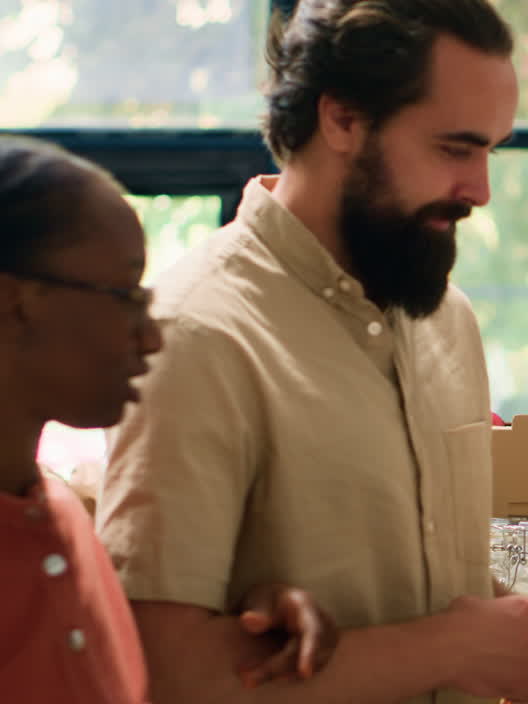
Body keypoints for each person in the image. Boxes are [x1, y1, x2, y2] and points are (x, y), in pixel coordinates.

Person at [95, 0, 528, 703]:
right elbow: (157, 671)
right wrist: (441, 650)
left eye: (491, 150)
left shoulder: (443, 322)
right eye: (454, 148)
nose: (482, 190)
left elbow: (431, 599)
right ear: (342, 118)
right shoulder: (197, 336)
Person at [0, 136, 340, 701]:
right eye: (125, 294)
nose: (152, 336)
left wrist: (245, 625)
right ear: (13, 303)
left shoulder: (58, 521)